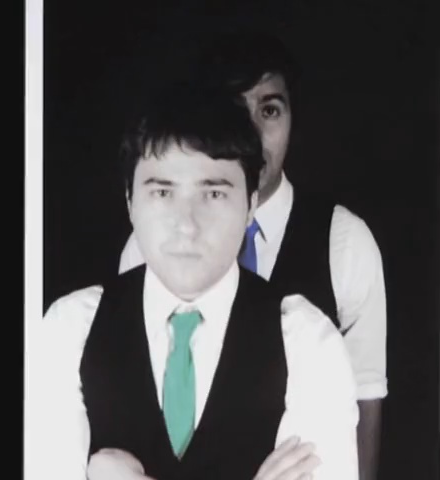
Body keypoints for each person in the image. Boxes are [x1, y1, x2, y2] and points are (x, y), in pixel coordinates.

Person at [26, 87, 359, 480]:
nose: (186, 224)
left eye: (213, 193)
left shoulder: (307, 340)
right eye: (162, 192)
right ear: (130, 201)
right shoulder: (69, 328)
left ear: (251, 204)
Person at [119, 30, 388, 480]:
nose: (253, 132)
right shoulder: (152, 245)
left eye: (270, 110)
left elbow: (366, 403)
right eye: (233, 108)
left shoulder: (344, 243)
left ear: (293, 117)